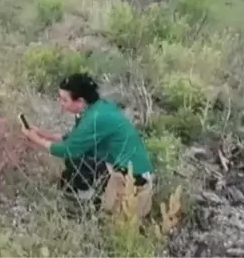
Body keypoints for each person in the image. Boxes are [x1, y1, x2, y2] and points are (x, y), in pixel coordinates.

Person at [21, 72, 154, 217]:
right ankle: (87, 196)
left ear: (80, 101)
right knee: (78, 160)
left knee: (76, 158)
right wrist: (42, 133)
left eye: (65, 100)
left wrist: (35, 139)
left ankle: (87, 204)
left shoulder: (95, 118)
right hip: (127, 166)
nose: (61, 103)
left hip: (133, 177)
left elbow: (67, 149)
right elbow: (75, 138)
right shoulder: (98, 107)